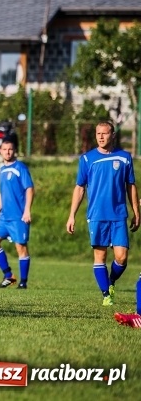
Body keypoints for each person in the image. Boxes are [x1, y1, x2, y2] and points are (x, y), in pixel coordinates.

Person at [66, 120, 140, 306]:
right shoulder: (87, 159)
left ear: (112, 135)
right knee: (100, 257)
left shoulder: (124, 158)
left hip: (118, 215)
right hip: (97, 215)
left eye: (105, 133)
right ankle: (106, 294)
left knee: (121, 257)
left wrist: (136, 212)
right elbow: (79, 188)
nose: (100, 136)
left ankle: (112, 280)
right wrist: (72, 215)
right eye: (98, 133)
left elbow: (130, 186)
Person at [0, 138, 34, 289]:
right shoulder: (1, 169)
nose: (7, 152)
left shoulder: (20, 167)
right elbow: (2, 193)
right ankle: (9, 276)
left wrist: (27, 210)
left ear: (15, 151)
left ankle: (23, 282)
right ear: (0, 151)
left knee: (21, 247)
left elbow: (29, 189)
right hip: (4, 217)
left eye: (10, 149)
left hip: (18, 217)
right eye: (4, 149)